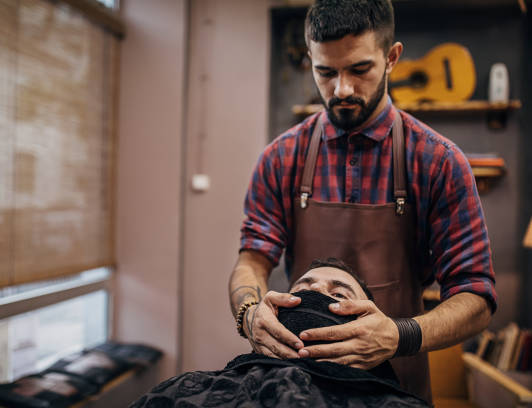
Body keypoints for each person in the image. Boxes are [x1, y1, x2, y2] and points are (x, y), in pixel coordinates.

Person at [228, 0, 496, 402]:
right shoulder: (281, 158)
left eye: (359, 69)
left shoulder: (438, 162)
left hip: (397, 386)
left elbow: (476, 295)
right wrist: (249, 316)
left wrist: (399, 334)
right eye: (325, 72)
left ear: (391, 57)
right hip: (297, 385)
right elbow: (252, 262)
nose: (342, 90)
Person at [133, 259, 430, 407]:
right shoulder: (187, 391)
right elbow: (251, 257)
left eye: (338, 293)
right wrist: (247, 313)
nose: (315, 290)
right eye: (302, 289)